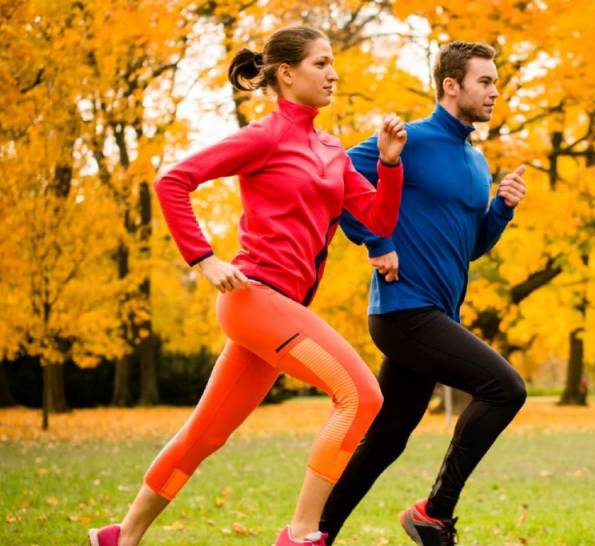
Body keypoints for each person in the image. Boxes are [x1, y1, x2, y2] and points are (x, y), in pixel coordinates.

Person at [87, 26, 407, 546]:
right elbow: (174, 182)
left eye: (332, 64)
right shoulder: (265, 135)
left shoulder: (330, 150)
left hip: (282, 310)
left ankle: (120, 537)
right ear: (287, 74)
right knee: (360, 395)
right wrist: (205, 259)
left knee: (205, 434)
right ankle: (301, 533)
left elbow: (377, 218)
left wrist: (390, 164)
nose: (333, 73)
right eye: (321, 64)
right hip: (254, 298)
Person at [318, 41, 527, 546]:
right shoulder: (409, 138)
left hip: (435, 314)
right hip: (403, 308)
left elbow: (469, 247)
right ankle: (434, 513)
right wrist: (377, 242)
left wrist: (499, 210)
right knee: (506, 388)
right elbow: (338, 179)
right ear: (451, 85)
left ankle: (313, 534)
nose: (494, 92)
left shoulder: (477, 163)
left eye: (496, 82)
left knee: (387, 439)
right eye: (484, 81)